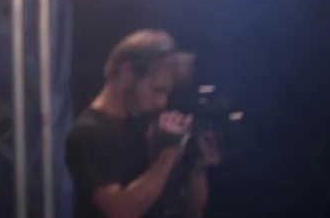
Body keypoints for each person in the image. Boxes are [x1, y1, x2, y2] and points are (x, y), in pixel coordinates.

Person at [65, 30, 222, 218]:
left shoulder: (143, 126)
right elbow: (120, 211)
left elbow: (192, 211)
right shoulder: (89, 132)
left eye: (166, 93)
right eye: (156, 90)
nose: (162, 103)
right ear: (127, 72)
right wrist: (168, 153)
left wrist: (197, 168)